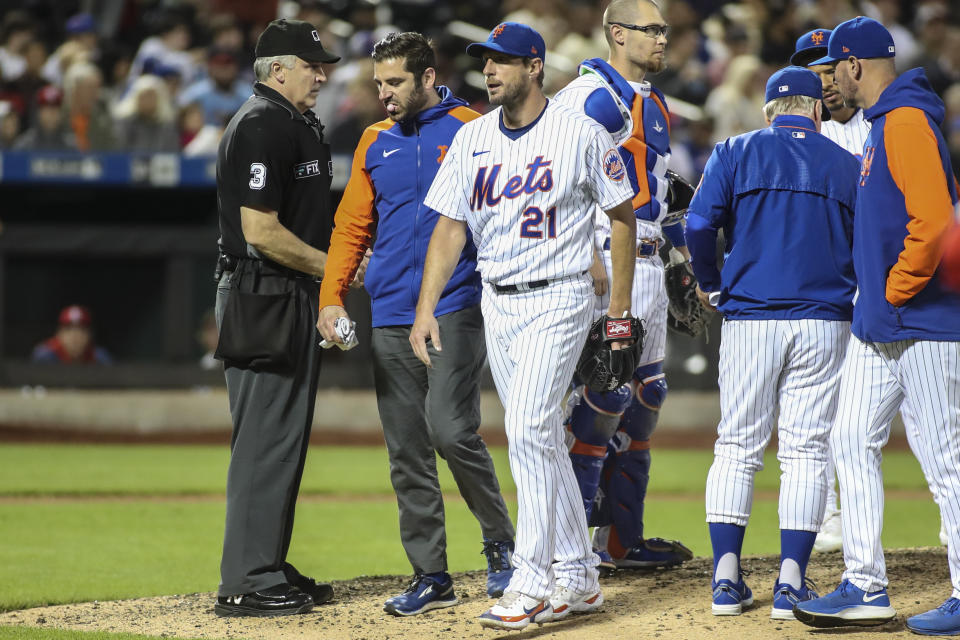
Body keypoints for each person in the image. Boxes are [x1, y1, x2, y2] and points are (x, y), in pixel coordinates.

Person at [410, 22, 638, 630]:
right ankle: (580, 578)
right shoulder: (473, 138)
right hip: (498, 301)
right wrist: (426, 306)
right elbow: (449, 228)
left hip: (561, 296)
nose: (489, 70)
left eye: (503, 61)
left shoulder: (581, 132)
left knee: (530, 425)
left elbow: (622, 215)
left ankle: (532, 581)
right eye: (485, 61)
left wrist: (618, 311)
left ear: (534, 67)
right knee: (541, 441)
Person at [317, 31, 517, 616]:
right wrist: (333, 297)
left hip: (456, 305)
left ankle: (502, 544)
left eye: (396, 82)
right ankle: (431, 574)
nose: (385, 94)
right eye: (379, 83)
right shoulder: (374, 139)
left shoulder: (474, 128)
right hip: (388, 314)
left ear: (429, 78)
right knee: (407, 451)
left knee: (452, 432)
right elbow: (352, 225)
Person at [792, 18, 960, 635]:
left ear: (856, 65)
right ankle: (865, 585)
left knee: (945, 461)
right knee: (850, 439)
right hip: (882, 322)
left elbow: (937, 221)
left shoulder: (907, 121)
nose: (830, 79)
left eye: (834, 67)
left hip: (923, 321)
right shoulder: (885, 124)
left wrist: (894, 290)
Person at [685, 65, 860, 619]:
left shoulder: (736, 150)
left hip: (750, 318)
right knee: (807, 450)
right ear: (817, 110)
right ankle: (791, 583)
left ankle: (726, 580)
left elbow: (695, 226)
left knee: (737, 447)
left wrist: (710, 282)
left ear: (768, 112)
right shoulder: (848, 163)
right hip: (823, 321)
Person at [552, 0, 693, 572]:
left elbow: (658, 188)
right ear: (617, 34)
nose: (663, 39)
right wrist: (583, 252)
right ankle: (572, 547)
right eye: (651, 30)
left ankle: (620, 541)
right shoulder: (589, 96)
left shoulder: (650, 100)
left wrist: (682, 255)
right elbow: (551, 178)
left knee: (646, 397)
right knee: (601, 396)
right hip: (608, 258)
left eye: (664, 29)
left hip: (651, 258)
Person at [211, 18, 341, 618]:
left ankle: (266, 560)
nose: (322, 74)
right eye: (312, 65)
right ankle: (246, 577)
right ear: (278, 68)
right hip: (264, 293)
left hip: (283, 294)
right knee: (266, 440)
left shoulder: (290, 121)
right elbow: (260, 231)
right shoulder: (262, 123)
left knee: (282, 438)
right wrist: (334, 268)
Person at [32, 305, 112, 364]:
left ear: (89, 334)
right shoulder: (45, 355)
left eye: (81, 330)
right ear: (59, 333)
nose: (75, 336)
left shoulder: (99, 357)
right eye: (69, 329)